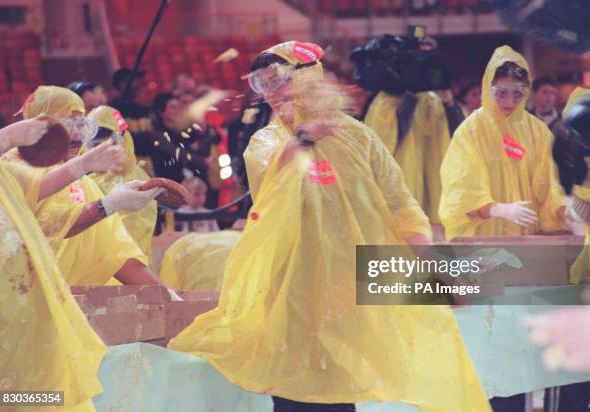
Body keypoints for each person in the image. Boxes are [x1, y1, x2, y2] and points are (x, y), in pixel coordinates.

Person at [169, 41, 490, 412]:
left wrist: (442, 271)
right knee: (295, 395)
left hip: (347, 293)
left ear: (308, 79)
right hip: (293, 292)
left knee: (339, 393)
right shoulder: (267, 140)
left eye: (277, 81)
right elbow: (272, 187)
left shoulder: (358, 137)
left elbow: (401, 206)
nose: (269, 95)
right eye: (261, 85)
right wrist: (304, 139)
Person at [8, 85, 169, 290]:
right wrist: (110, 204)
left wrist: (168, 297)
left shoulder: (83, 183)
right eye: (66, 125)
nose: (76, 136)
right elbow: (47, 226)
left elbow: (116, 253)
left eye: (81, 124)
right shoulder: (12, 167)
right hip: (20, 300)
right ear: (40, 125)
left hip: (69, 302)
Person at [0, 118, 106, 410]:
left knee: (41, 396)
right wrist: (1, 141)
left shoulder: (3, 168)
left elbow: (34, 186)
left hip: (24, 308)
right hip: (3, 310)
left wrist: (85, 165)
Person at [439, 46, 568, 240]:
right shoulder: (471, 132)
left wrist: (565, 211)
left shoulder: (537, 131)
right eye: (502, 93)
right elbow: (460, 186)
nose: (509, 102)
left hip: (528, 239)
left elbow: (551, 182)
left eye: (517, 94)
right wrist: (495, 209)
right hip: (484, 240)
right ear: (488, 89)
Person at [363, 84, 451, 240]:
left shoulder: (433, 101)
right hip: (397, 201)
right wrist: (409, 100)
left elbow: (449, 142)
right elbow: (384, 145)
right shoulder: (383, 103)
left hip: (430, 199)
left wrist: (450, 104)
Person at [85, 105, 158, 260]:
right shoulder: (89, 179)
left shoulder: (136, 182)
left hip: (124, 274)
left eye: (107, 144)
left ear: (123, 140)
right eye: (94, 145)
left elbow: (127, 242)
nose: (100, 152)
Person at [109, 68, 154, 157]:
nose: (139, 84)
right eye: (134, 80)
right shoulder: (114, 111)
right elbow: (124, 140)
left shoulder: (144, 109)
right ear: (121, 84)